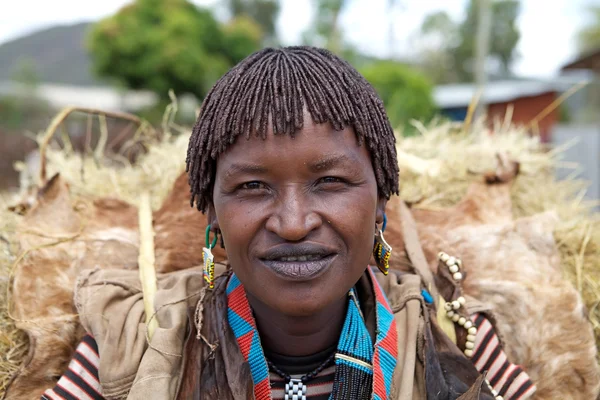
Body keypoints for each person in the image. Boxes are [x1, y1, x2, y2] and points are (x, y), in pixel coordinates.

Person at [42, 46, 534, 400]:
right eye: (253, 187)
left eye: (332, 182)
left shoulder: (444, 335)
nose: (294, 224)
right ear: (211, 212)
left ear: (381, 201)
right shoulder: (139, 340)